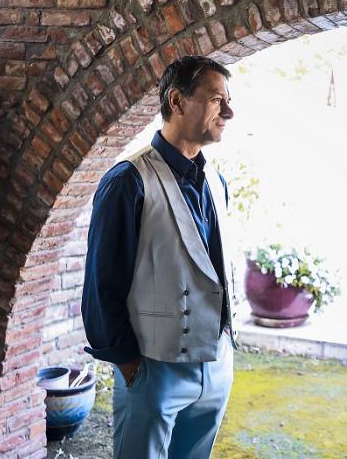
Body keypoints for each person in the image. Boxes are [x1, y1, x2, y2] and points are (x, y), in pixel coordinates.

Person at [81, 55, 237, 459]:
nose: (229, 112)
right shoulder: (127, 181)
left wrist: (224, 352)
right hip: (153, 370)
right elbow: (101, 285)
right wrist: (130, 367)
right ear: (177, 101)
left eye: (228, 101)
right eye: (217, 100)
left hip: (216, 366)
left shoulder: (217, 182)